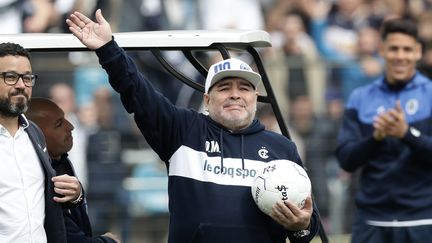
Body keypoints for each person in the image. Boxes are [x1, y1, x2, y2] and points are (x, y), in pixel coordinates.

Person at [66, 9, 321, 243]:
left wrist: (302, 226)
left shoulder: (282, 149)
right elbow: (139, 94)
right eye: (224, 87)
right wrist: (109, 49)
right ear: (207, 100)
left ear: (255, 98)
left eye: (244, 88)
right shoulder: (184, 130)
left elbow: (305, 229)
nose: (235, 94)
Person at [336, 17, 432, 243]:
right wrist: (375, 138)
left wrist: (406, 134)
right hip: (371, 221)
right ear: (382, 51)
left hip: (423, 220)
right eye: (394, 49)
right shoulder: (360, 98)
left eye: (407, 49)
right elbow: (346, 159)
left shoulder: (430, 95)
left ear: (418, 52)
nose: (400, 56)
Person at [0, 42, 81, 242]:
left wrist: (76, 194)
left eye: (27, 78)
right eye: (10, 77)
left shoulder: (34, 133)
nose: (21, 85)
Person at [25, 97, 122, 243]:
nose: (70, 126)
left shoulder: (60, 161)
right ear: (37, 134)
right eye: (59, 124)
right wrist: (108, 241)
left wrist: (78, 196)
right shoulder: (38, 176)